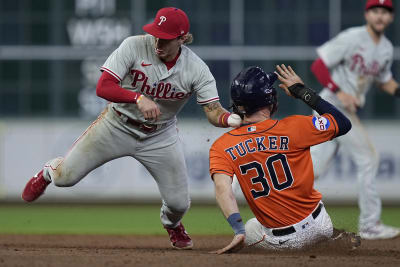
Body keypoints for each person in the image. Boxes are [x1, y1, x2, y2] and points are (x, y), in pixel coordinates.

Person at [21, 7, 241, 250]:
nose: (159, 42)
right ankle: (47, 172)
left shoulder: (196, 69)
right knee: (65, 178)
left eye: (166, 38)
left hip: (160, 135)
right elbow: (103, 87)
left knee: (179, 204)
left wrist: (230, 120)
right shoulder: (134, 46)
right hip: (116, 124)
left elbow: (213, 110)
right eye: (156, 34)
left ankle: (172, 224)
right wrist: (137, 98)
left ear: (182, 38)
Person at [209, 64, 354, 253]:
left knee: (252, 226)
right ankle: (328, 239)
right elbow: (343, 123)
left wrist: (238, 230)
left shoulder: (223, 145)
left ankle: (309, 244)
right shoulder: (295, 126)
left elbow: (222, 188)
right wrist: (303, 92)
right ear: (270, 99)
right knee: (314, 222)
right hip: (321, 224)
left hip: (285, 242)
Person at [310, 0, 400, 240]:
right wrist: (339, 91)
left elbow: (384, 80)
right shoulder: (352, 37)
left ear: (390, 17)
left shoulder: (386, 48)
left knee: (311, 170)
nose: (380, 16)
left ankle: (283, 212)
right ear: (367, 14)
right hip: (332, 107)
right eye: (376, 11)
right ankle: (370, 224)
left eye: (385, 12)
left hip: (339, 112)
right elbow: (319, 65)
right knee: (368, 157)